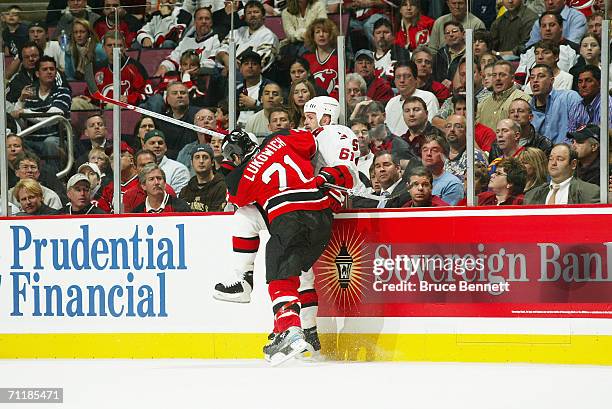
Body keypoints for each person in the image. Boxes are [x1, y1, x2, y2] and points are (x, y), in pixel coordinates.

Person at [10, 55, 72, 174]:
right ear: (37, 74)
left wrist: (25, 112)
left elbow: (52, 117)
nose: (49, 72)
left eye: (52, 69)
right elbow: (18, 120)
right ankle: (18, 179)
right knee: (15, 144)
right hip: (31, 140)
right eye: (45, 69)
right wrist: (21, 101)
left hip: (57, 139)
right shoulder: (30, 93)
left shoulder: (63, 91)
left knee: (49, 142)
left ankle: (54, 179)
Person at [72, 31, 148, 110]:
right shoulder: (97, 67)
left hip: (125, 110)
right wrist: (89, 98)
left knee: (114, 105)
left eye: (118, 45)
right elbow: (91, 93)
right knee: (76, 103)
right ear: (103, 48)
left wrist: (128, 98)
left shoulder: (134, 67)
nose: (113, 49)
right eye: (109, 45)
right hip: (99, 109)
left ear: (125, 48)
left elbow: (145, 93)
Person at [154, 7, 221, 77]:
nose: (204, 21)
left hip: (201, 80)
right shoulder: (186, 40)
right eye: (200, 19)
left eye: (207, 18)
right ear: (195, 22)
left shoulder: (216, 39)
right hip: (180, 80)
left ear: (211, 22)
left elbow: (213, 63)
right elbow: (173, 58)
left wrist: (193, 69)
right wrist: (164, 67)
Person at [529, 64, 587, 144]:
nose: (535, 80)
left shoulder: (569, 98)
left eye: (541, 76)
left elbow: (581, 129)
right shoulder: (527, 108)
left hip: (569, 152)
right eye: (532, 77)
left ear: (552, 80)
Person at [524, 143, 599, 204]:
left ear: (573, 164)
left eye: (559, 159)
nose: (553, 163)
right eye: (551, 159)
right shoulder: (531, 195)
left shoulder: (589, 192)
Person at [216, 0, 279, 73]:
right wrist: (225, 58)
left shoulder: (269, 36)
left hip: (252, 78)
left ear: (263, 16)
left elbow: (260, 64)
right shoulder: (236, 32)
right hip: (226, 71)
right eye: (249, 13)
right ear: (245, 17)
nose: (252, 15)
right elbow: (220, 51)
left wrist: (232, 67)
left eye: (256, 12)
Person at [385, 60, 439, 137]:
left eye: (407, 76)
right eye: (398, 77)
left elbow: (431, 131)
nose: (402, 80)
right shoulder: (391, 102)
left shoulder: (428, 98)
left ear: (416, 79)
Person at [477, 60, 530, 130]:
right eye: (494, 75)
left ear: (512, 78)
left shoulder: (524, 100)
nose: (498, 78)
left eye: (502, 75)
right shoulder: (483, 104)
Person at [155, 81, 198, 159]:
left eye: (183, 93)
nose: (179, 96)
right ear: (167, 99)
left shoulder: (198, 115)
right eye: (175, 93)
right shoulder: (162, 121)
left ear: (188, 97)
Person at [179, 145, 228, 212]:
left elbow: (217, 217)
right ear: (191, 162)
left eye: (205, 157)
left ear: (212, 162)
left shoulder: (222, 187)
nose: (201, 161)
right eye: (197, 157)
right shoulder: (185, 191)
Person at [142, 129, 190, 194]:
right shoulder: (139, 167)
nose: (157, 145)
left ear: (165, 147)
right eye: (152, 143)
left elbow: (179, 198)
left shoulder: (179, 169)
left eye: (160, 143)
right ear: (144, 147)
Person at [421, 134, 464, 205]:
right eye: (425, 150)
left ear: (444, 155)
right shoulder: (415, 179)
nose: (428, 154)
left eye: (434, 150)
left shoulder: (452, 184)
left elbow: (447, 214)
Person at [303, 18, 340, 99]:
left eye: (325, 31)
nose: (321, 35)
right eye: (317, 32)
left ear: (331, 35)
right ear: (312, 36)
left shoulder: (339, 56)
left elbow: (343, 83)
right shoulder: (306, 57)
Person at [443, 114, 487, 181]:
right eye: (448, 126)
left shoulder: (474, 156)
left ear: (467, 131)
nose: (452, 129)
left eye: (458, 126)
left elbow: (476, 187)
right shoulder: (441, 155)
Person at [97, 142, 138, 212]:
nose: (115, 161)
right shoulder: (109, 188)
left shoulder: (143, 183)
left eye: (120, 156)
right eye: (112, 158)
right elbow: (101, 214)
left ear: (131, 160)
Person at [236, 51, 273, 127]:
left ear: (260, 68)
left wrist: (256, 104)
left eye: (254, 64)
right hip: (238, 128)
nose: (250, 66)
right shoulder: (237, 89)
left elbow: (276, 110)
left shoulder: (270, 87)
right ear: (241, 69)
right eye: (246, 64)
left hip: (262, 128)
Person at [433, 21, 466, 86]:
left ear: (463, 34)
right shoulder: (440, 54)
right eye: (447, 33)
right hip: (441, 91)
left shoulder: (470, 53)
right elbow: (434, 77)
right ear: (445, 37)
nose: (451, 35)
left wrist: (454, 83)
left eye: (454, 31)